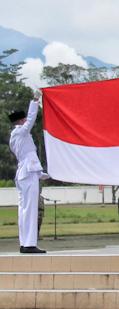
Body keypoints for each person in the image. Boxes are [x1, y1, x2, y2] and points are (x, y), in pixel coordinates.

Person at [8, 91, 46, 254]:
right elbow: (31, 120)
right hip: (28, 172)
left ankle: (25, 242)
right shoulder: (21, 132)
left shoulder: (14, 137)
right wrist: (35, 101)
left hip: (23, 172)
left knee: (24, 209)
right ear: (21, 121)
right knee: (30, 209)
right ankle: (29, 244)